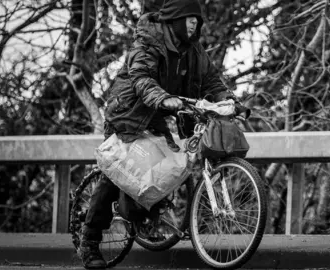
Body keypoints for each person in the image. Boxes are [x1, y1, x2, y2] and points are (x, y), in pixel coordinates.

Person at [78, 0, 245, 269]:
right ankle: (89, 242)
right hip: (129, 114)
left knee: (165, 167)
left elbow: (212, 82)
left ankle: (147, 218)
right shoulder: (148, 41)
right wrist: (162, 98)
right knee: (118, 174)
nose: (195, 24)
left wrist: (230, 102)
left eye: (197, 20)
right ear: (175, 20)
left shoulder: (195, 51)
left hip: (157, 117)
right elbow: (142, 77)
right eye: (189, 18)